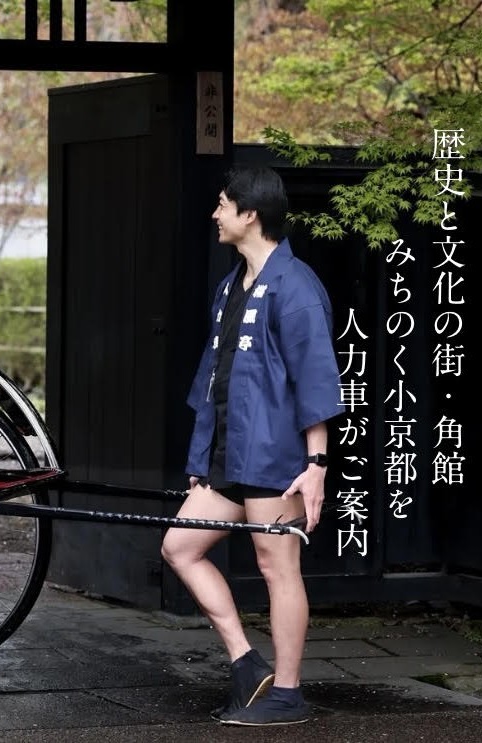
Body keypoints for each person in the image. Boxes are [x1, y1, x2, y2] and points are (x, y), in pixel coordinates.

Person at [161, 165, 341, 726]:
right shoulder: (231, 284)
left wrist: (316, 464)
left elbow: (316, 379)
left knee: (277, 563)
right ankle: (246, 661)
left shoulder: (296, 286)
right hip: (229, 453)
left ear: (249, 214)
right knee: (179, 547)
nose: (215, 214)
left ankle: (286, 693)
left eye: (222, 205)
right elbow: (212, 381)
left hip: (277, 456)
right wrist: (200, 460)